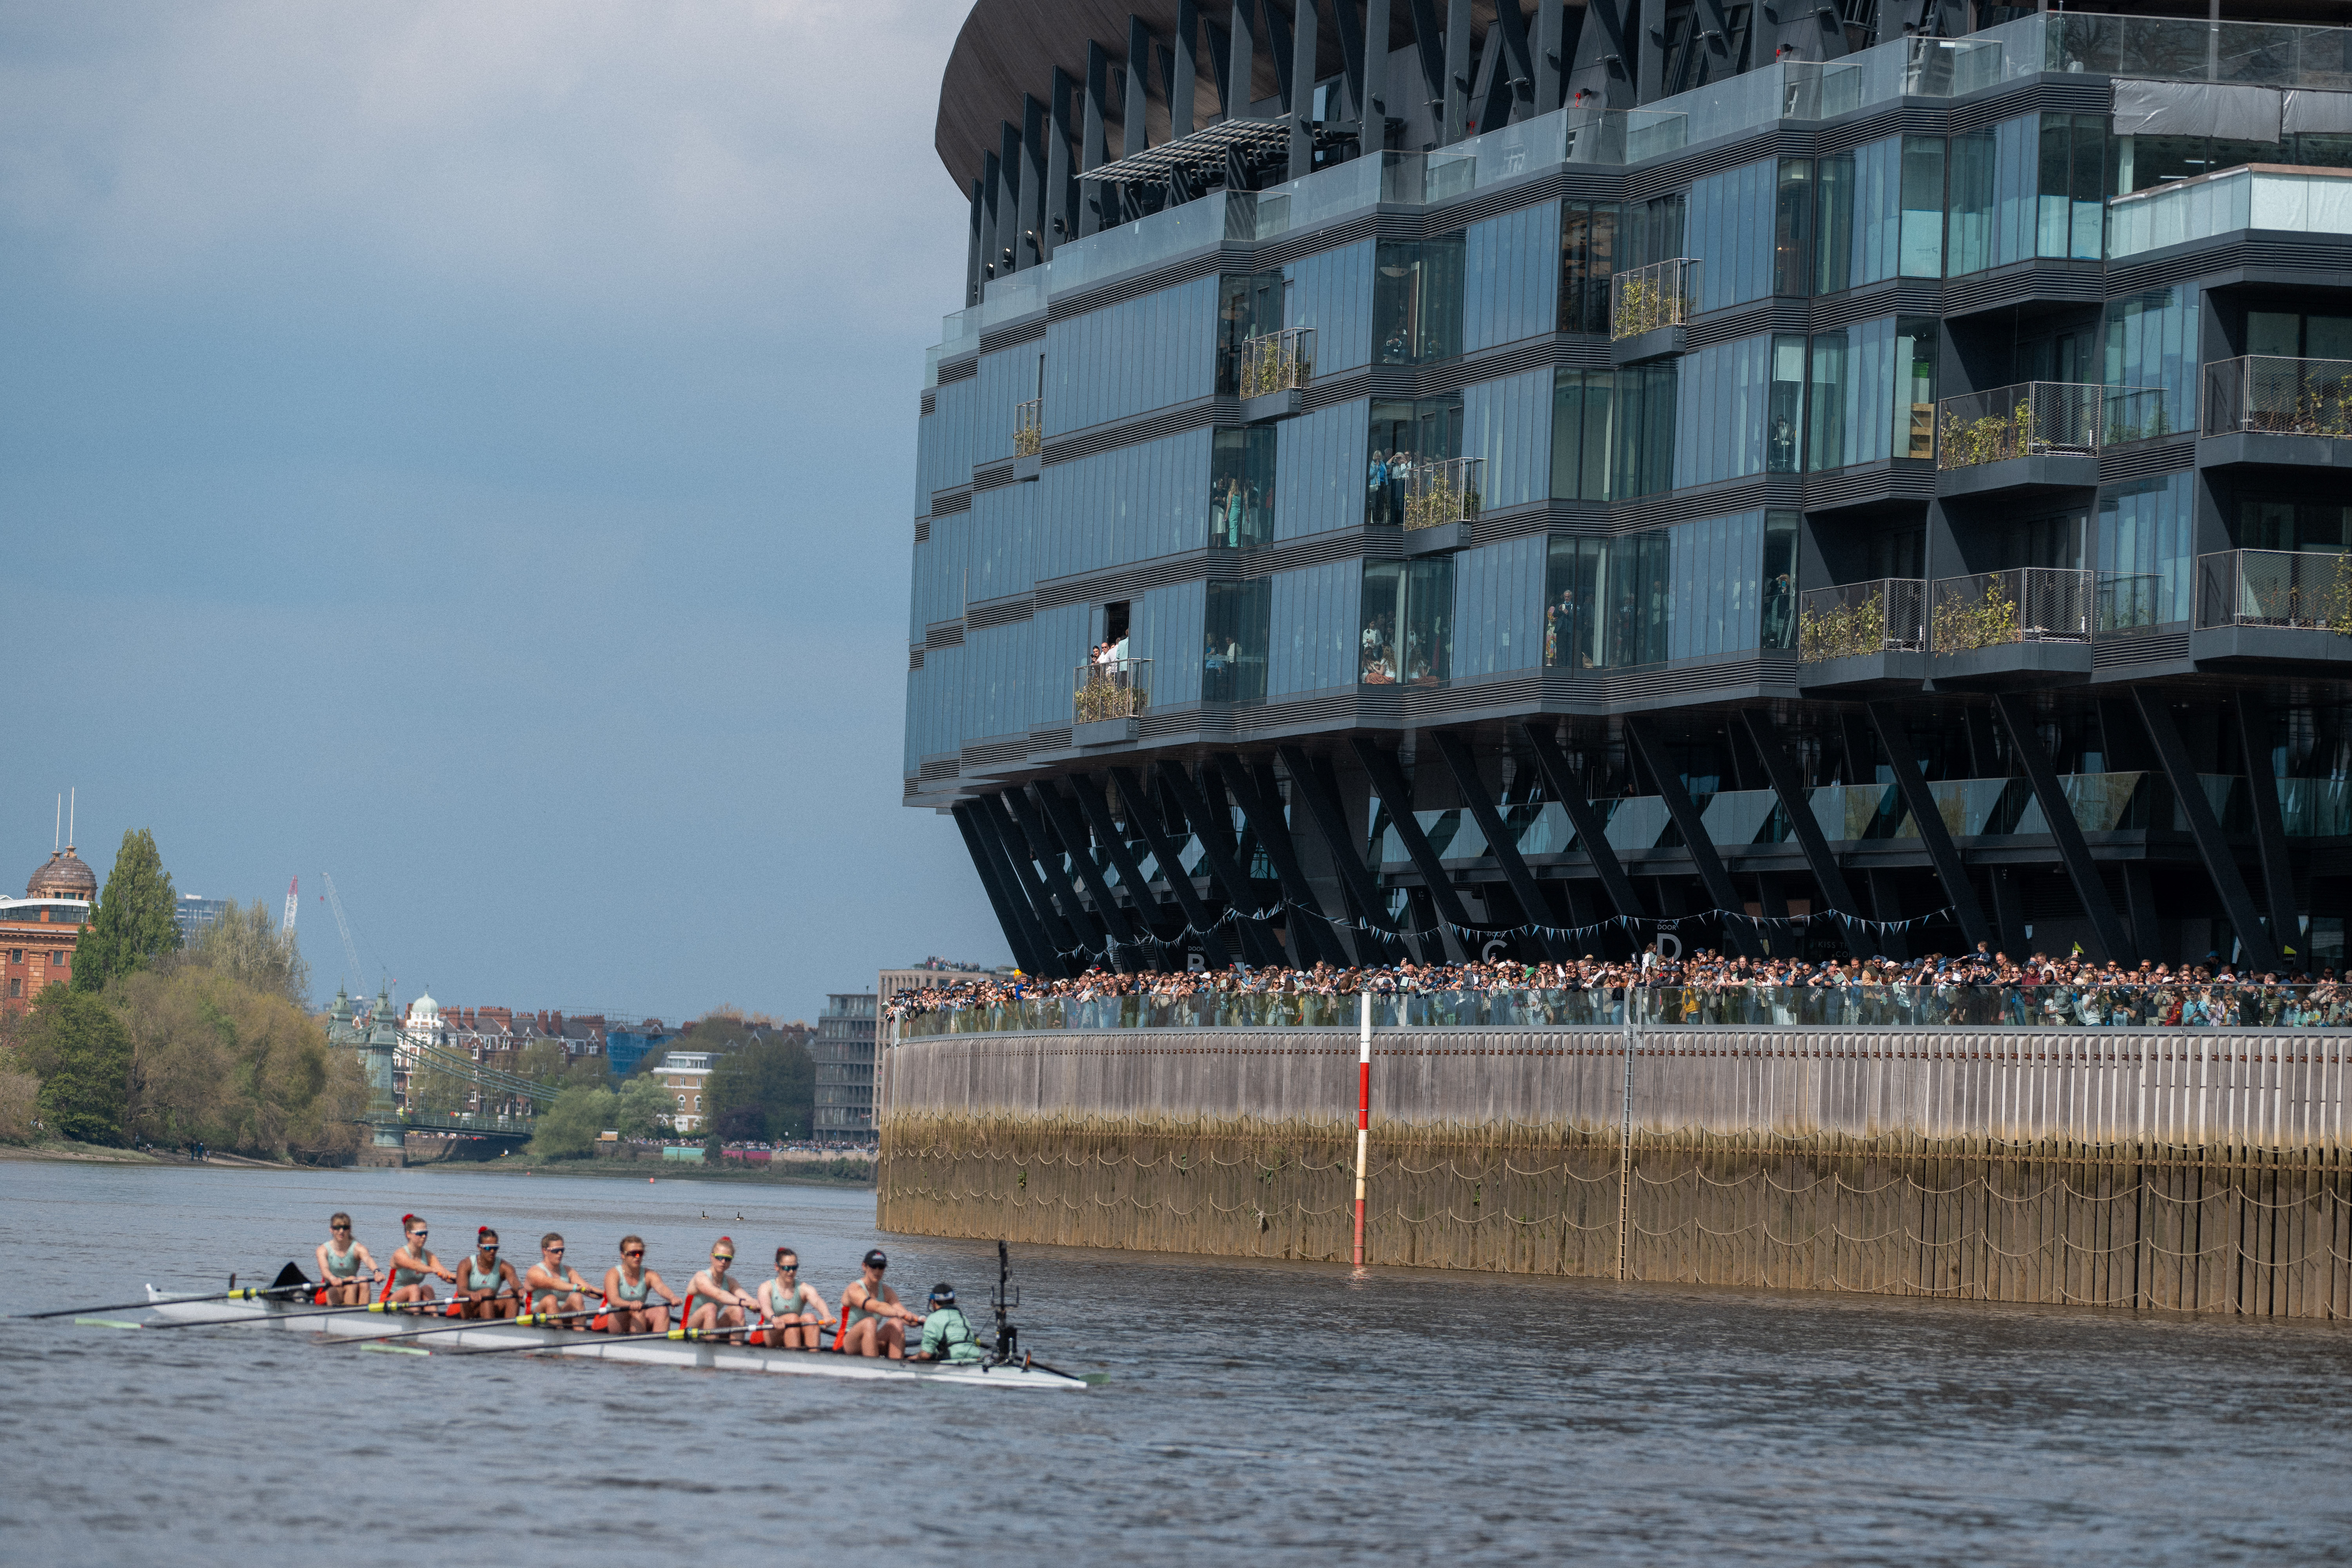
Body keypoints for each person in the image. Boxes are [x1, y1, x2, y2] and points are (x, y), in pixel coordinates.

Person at [835, 1248, 924, 1359]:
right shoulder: (854, 1289)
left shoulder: (887, 1291)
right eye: (874, 1266)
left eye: (881, 1267)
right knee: (870, 1322)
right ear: (864, 1266)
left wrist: (921, 1320)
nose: (877, 1271)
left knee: (897, 1323)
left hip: (870, 1340)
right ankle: (874, 1369)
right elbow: (875, 1307)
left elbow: (904, 1314)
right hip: (846, 1343)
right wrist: (898, 1313)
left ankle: (897, 1367)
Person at [682, 1238, 761, 1342]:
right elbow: (718, 1294)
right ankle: (712, 1349)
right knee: (711, 1308)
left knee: (737, 1309)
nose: (723, 1262)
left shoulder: (730, 1282)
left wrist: (759, 1307)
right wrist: (744, 1302)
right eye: (719, 1258)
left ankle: (736, 1351)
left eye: (728, 1259)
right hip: (688, 1330)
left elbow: (748, 1299)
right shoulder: (701, 1277)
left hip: (712, 1328)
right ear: (712, 1257)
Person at [601, 1234, 682, 1334]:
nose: (637, 1257)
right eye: (633, 1253)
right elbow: (614, 1300)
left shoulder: (649, 1275)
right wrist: (631, 1305)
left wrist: (672, 1297)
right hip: (616, 1317)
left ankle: (659, 1345)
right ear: (623, 1255)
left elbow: (661, 1287)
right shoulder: (613, 1274)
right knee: (638, 1312)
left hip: (639, 1315)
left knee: (662, 1310)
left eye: (640, 1253)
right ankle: (640, 1344)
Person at [756, 1247, 831, 1350]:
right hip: (772, 1333)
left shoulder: (803, 1288)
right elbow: (765, 1307)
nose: (791, 1272)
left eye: (795, 1267)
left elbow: (817, 1301)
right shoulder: (766, 1287)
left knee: (810, 1318)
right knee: (792, 1318)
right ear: (777, 1267)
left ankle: (814, 1357)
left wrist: (827, 1315)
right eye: (787, 1268)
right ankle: (795, 1357)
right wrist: (774, 1318)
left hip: (793, 1329)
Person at [385, 1214, 456, 1309]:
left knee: (428, 1289)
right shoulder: (399, 1254)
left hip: (413, 1299)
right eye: (420, 1233)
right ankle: (415, 1317)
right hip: (390, 1299)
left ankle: (432, 1319)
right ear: (408, 1234)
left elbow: (447, 1274)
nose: (424, 1237)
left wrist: (464, 1280)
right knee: (414, 1288)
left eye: (426, 1233)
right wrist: (434, 1270)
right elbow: (415, 1266)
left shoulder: (429, 1256)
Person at [452, 1227, 523, 1320]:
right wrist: (472, 1294)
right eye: (488, 1248)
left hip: (490, 1305)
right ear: (479, 1247)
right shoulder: (466, 1265)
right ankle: (490, 1329)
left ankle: (510, 1329)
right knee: (487, 1292)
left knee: (512, 1294)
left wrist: (521, 1289)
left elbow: (514, 1281)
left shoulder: (504, 1266)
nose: (492, 1251)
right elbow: (461, 1291)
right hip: (470, 1310)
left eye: (495, 1248)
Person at [524, 1233, 594, 1327]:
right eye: (556, 1251)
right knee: (551, 1300)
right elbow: (553, 1284)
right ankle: (559, 1335)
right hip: (535, 1317)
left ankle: (579, 1334)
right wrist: (575, 1287)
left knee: (577, 1297)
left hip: (560, 1314)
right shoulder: (534, 1272)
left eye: (562, 1250)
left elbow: (588, 1289)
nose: (560, 1253)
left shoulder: (568, 1270)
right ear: (545, 1251)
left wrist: (607, 1295)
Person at [912, 1282, 984, 1365]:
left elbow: (925, 1355)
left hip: (952, 1360)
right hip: (975, 1357)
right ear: (954, 1301)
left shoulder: (932, 1319)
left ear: (932, 1302)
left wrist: (915, 1357)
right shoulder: (962, 1317)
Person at [315, 1212, 378, 1306]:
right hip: (330, 1289)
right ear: (331, 1230)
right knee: (352, 1281)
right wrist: (333, 1279)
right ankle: (352, 1316)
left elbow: (368, 1260)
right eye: (337, 1228)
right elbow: (325, 1270)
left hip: (352, 1286)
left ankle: (363, 1315)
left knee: (364, 1281)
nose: (341, 1231)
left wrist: (377, 1272)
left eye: (345, 1228)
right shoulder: (323, 1250)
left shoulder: (358, 1248)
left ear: (350, 1230)